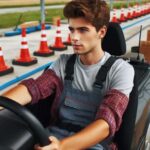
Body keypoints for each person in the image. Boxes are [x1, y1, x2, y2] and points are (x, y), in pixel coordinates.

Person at [2, 0, 134, 149]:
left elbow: (106, 122)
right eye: (72, 30)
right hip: (53, 137)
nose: (74, 37)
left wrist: (62, 146)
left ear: (101, 32)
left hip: (94, 145)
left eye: (83, 30)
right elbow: (34, 88)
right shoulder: (64, 63)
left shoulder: (121, 70)